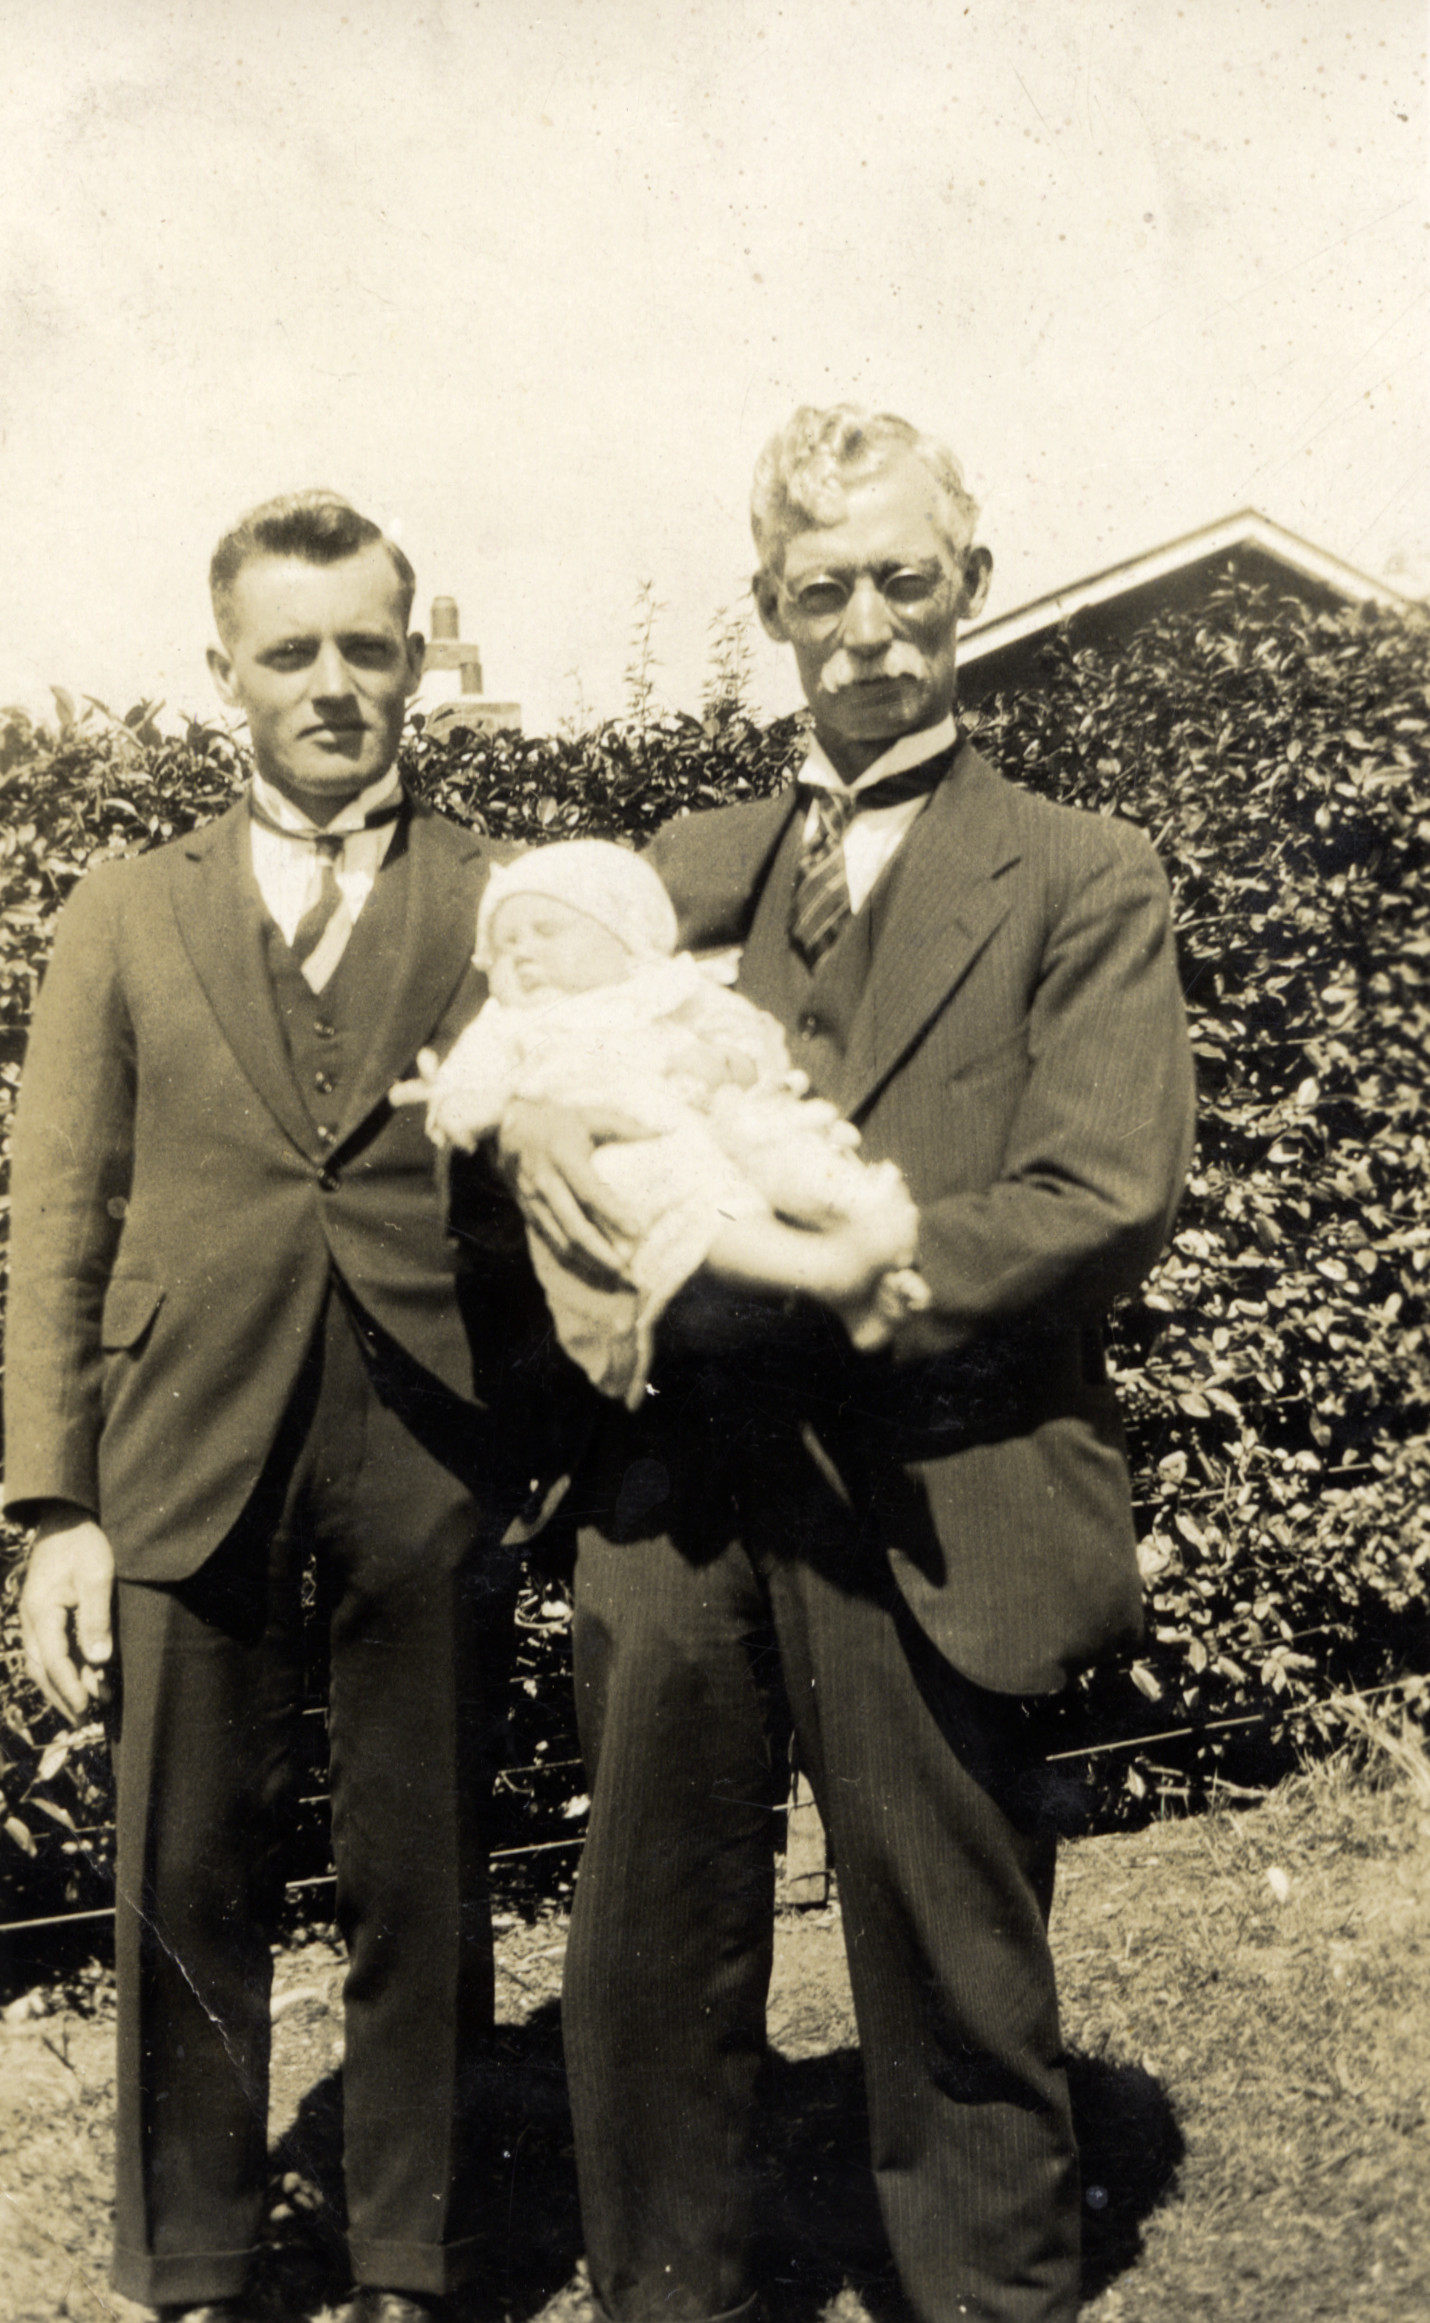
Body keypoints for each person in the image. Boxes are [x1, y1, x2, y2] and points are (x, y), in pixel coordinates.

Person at [514, 408, 1197, 2323]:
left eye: (910, 580)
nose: (874, 627)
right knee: (650, 1956)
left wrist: (838, 1263)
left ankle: (988, 2291)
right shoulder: (680, 870)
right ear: (771, 610)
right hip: (686, 1504)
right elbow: (545, 1091)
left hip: (937, 1479)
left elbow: (1098, 1189)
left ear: (968, 586)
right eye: (829, 590)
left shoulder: (1081, 870)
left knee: (955, 1961)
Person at [7, 493, 558, 2323]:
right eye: (292, 649)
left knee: (429, 1865)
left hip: (432, 1431)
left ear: (416, 656)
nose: (333, 683)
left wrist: (555, 1438)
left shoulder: (504, 901)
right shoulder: (123, 908)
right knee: (181, 1864)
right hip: (185, 1441)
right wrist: (54, 1511)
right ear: (223, 670)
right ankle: (192, 2257)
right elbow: (59, 1220)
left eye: (367, 646)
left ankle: (411, 2247)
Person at [396, 837, 930, 1405]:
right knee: (680, 1189)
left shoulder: (670, 986)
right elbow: (467, 1090)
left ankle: (862, 1225)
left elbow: (752, 1038)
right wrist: (467, 1105)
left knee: (775, 1132)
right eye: (504, 946)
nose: (522, 953)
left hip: (707, 1106)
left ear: (621, 938)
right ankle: (826, 1270)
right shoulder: (507, 1022)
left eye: (546, 932)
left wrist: (727, 1064)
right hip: (617, 1139)